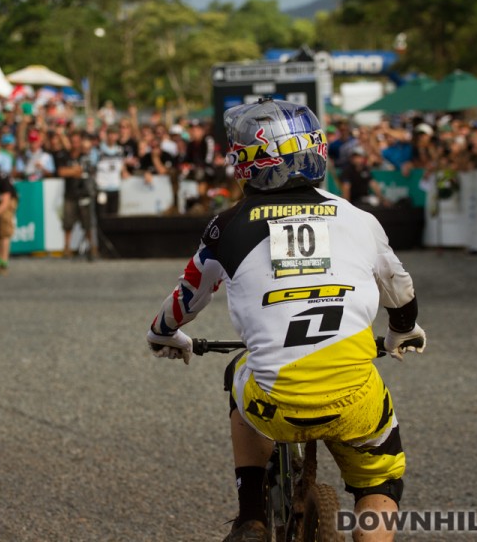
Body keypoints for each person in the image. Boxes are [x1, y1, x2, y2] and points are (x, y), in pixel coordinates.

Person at [145, 99, 426, 542]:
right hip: (355, 398)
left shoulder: (227, 227)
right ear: (315, 149)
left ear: (244, 162)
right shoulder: (358, 218)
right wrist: (402, 331)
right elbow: (400, 289)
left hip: (274, 402)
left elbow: (187, 295)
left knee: (238, 370)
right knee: (380, 482)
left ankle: (250, 516)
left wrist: (163, 333)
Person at [54, 134, 96, 258]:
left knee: (87, 223)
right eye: (73, 142)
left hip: (83, 194)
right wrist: (75, 171)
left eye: (77, 142)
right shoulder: (64, 155)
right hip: (70, 194)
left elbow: (86, 172)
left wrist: (71, 171)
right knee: (68, 223)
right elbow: (61, 172)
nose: (75, 145)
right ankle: (67, 247)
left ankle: (91, 246)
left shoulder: (84, 157)